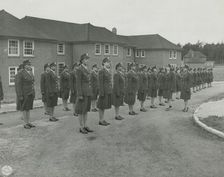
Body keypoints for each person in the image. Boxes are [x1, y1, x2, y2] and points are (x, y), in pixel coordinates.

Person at [75, 53, 93, 134]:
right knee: (81, 110)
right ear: (82, 60)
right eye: (86, 59)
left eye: (87, 59)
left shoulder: (86, 68)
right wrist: (80, 94)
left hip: (87, 92)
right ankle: (81, 127)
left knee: (86, 110)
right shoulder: (79, 69)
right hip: (82, 92)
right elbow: (78, 83)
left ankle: (85, 125)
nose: (87, 60)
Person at [17, 60, 35, 129]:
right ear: (25, 66)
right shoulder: (21, 73)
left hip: (30, 93)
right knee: (24, 108)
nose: (29, 66)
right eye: (28, 65)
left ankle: (28, 122)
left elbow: (33, 82)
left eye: (30, 65)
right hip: (24, 94)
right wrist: (20, 95)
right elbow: (19, 85)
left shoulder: (30, 73)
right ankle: (25, 123)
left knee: (28, 108)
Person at [97, 57, 112, 126]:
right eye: (107, 62)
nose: (109, 63)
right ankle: (101, 120)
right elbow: (100, 83)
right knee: (101, 106)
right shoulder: (101, 71)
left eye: (109, 62)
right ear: (103, 63)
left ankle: (102, 119)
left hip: (107, 91)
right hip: (103, 91)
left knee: (104, 106)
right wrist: (101, 92)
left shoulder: (107, 71)